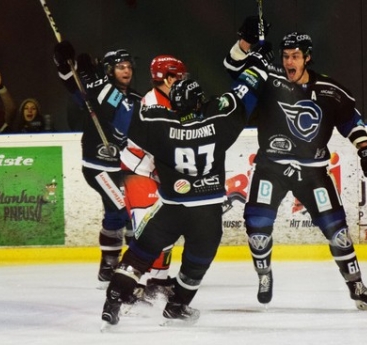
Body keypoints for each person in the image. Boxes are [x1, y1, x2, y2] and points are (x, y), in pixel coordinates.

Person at [223, 26, 367, 310]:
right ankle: (264, 275)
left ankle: (356, 285)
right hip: (271, 168)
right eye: (285, 56)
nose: (288, 63)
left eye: (295, 56)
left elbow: (352, 123)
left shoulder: (330, 91)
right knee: (258, 231)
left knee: (338, 233)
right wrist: (246, 43)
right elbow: (233, 67)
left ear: (307, 58)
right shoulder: (268, 79)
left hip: (313, 173)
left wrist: (366, 149)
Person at [101, 73, 262, 328]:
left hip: (170, 211)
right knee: (195, 266)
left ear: (174, 104)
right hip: (206, 216)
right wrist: (256, 70)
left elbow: (120, 112)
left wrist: (97, 84)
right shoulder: (218, 125)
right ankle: (177, 306)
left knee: (138, 256)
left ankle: (112, 302)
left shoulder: (159, 126)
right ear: (198, 103)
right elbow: (246, 98)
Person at [53, 41, 142, 290]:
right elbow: (72, 85)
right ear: (109, 70)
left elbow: (129, 116)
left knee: (130, 215)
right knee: (120, 210)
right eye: (120, 67)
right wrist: (63, 64)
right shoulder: (96, 92)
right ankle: (115, 266)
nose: (126, 71)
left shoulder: (132, 98)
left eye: (128, 67)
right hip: (98, 167)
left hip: (124, 169)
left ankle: (116, 266)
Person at [120, 54, 188, 299]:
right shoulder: (153, 105)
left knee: (163, 231)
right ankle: (126, 288)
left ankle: (157, 281)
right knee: (149, 235)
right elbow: (164, 147)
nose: (183, 82)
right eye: (179, 77)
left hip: (150, 173)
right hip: (138, 174)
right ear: (168, 78)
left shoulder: (166, 101)